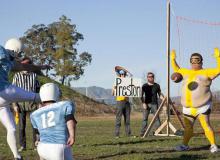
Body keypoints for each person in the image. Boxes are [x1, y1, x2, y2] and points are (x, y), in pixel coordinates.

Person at [0, 38, 51, 160]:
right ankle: (58, 109)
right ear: (15, 50)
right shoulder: (2, 51)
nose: (19, 55)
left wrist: (41, 66)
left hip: (2, 101)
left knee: (12, 128)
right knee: (37, 97)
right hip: (4, 90)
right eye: (19, 52)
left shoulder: (10, 63)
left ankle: (17, 156)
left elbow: (26, 67)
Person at [171, 48, 220, 153]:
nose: (194, 63)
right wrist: (172, 59)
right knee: (188, 128)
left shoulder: (207, 72)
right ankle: (184, 145)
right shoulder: (185, 72)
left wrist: (218, 58)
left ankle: (213, 145)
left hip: (202, 106)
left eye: (197, 60)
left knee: (206, 125)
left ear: (201, 62)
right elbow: (177, 70)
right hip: (187, 107)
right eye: (192, 60)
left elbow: (218, 70)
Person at [30, 83, 77, 160]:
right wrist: (72, 135)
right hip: (58, 147)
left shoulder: (35, 114)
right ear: (56, 93)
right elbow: (70, 120)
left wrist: (37, 140)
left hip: (41, 147)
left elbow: (37, 131)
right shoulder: (64, 105)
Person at [12, 57, 40, 152]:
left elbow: (38, 90)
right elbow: (13, 91)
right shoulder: (16, 76)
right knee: (21, 126)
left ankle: (36, 144)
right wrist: (14, 105)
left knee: (35, 125)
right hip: (20, 103)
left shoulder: (34, 76)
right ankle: (23, 146)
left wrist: (39, 103)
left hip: (32, 102)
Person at [140, 72, 164, 137]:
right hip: (146, 104)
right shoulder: (144, 86)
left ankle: (159, 132)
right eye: (149, 77)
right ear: (147, 78)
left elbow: (160, 95)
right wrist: (143, 103)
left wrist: (164, 99)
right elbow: (141, 96)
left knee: (157, 118)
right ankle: (143, 133)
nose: (151, 78)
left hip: (154, 104)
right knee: (144, 119)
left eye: (152, 76)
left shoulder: (157, 85)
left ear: (153, 77)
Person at [113, 66, 132, 138]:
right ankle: (117, 134)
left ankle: (128, 134)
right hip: (120, 102)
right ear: (119, 75)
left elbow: (131, 76)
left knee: (127, 119)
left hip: (127, 102)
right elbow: (112, 93)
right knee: (118, 119)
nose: (123, 76)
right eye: (121, 74)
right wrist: (115, 89)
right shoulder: (117, 82)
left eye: (124, 74)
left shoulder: (128, 82)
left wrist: (127, 71)